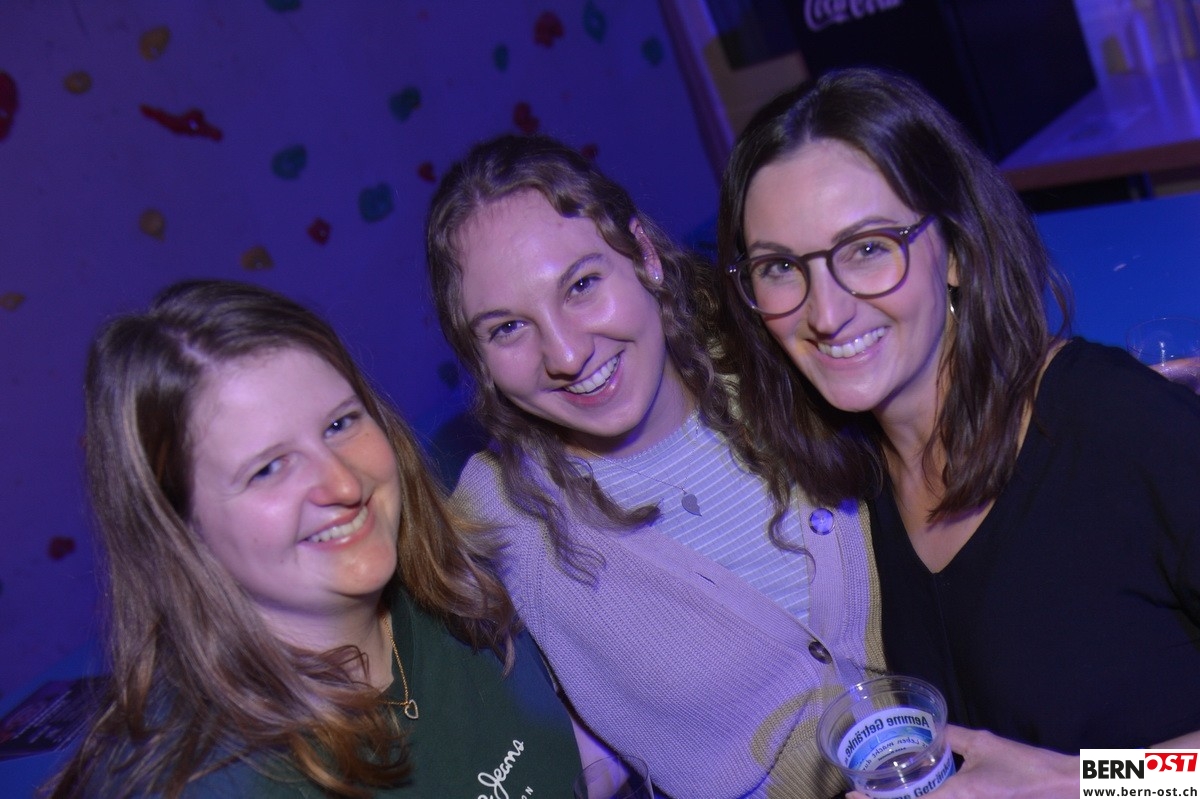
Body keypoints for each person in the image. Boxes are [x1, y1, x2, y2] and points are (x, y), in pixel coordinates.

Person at [716, 66, 1200, 797]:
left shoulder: (1113, 424)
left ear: (960, 250)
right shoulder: (859, 497)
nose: (826, 313)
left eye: (868, 247)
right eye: (781, 266)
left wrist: (1091, 781)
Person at [425, 132, 886, 799]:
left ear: (643, 254)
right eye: (507, 328)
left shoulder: (787, 362)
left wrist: (1076, 773)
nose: (566, 353)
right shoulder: (501, 517)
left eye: (582, 285)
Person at [44, 279, 582, 798]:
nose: (344, 485)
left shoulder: (458, 593)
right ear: (177, 529)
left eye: (340, 425)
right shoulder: (211, 783)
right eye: (268, 468)